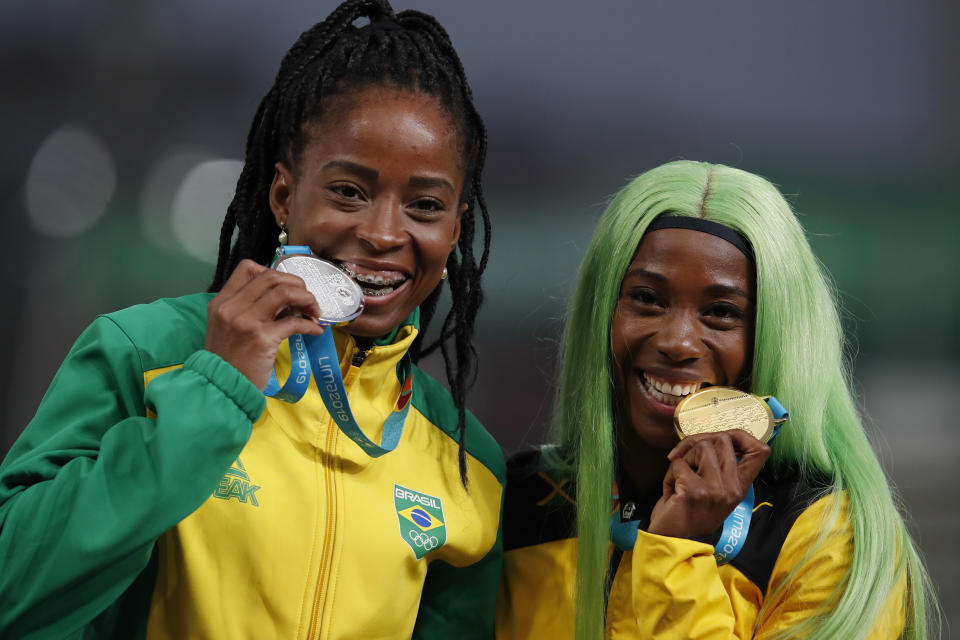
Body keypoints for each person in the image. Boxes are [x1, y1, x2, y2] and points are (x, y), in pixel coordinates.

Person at [0, 1, 505, 638]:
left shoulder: (468, 463)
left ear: (455, 230)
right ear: (284, 195)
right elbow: (13, 589)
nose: (383, 233)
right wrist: (214, 390)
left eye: (425, 205)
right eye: (348, 191)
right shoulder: (146, 352)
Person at [496, 160, 935, 639]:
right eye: (648, 298)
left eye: (722, 312)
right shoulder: (516, 503)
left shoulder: (829, 539)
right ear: (602, 310)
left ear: (773, 335)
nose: (679, 341)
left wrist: (676, 550)